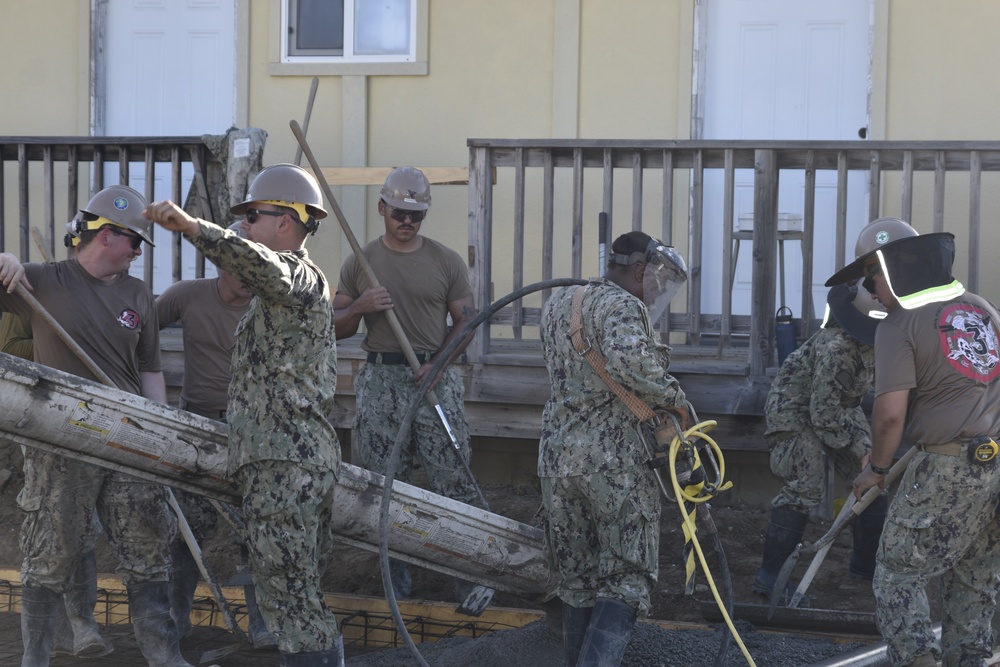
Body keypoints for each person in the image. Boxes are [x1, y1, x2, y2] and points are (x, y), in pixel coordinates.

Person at [143, 163, 344, 666]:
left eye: (254, 215)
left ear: (287, 222)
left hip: (285, 465)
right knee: (293, 599)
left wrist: (193, 228)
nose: (246, 225)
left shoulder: (295, 275)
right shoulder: (277, 297)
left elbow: (259, 263)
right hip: (278, 461)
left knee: (295, 606)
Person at [0, 184, 193, 667]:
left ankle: (163, 657)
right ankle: (35, 659)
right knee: (50, 551)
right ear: (108, 236)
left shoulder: (138, 294)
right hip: (62, 438)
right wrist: (3, 258)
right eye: (135, 243)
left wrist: (161, 432)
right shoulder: (41, 282)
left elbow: (150, 369)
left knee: (147, 548)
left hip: (128, 435)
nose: (137, 253)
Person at [830, 217, 1000, 667]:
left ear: (894, 268)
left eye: (871, 274)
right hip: (994, 464)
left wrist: (878, 469)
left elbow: (888, 415)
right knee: (975, 578)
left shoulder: (899, 325)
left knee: (897, 575)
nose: (869, 287)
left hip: (944, 469)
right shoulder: (981, 307)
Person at [538, 230, 689, 667]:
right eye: (656, 280)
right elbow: (630, 362)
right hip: (614, 465)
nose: (658, 291)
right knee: (626, 579)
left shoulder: (560, 303)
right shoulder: (623, 306)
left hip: (557, 464)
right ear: (640, 270)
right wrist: (675, 401)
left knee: (578, 580)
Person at [332, 166, 479, 600]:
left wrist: (440, 364)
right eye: (399, 212)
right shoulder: (361, 262)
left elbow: (467, 323)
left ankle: (467, 575)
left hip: (434, 378)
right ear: (383, 208)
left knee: (452, 475)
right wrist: (360, 305)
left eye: (416, 214)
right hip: (381, 380)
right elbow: (334, 326)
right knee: (384, 480)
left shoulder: (445, 260)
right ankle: (394, 579)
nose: (406, 221)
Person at [155, 250, 275, 649]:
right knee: (187, 527)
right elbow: (136, 330)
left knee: (257, 527)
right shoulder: (185, 296)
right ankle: (177, 614)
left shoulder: (271, 306)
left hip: (251, 431)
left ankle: (262, 624)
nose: (248, 278)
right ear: (221, 265)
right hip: (198, 427)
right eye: (239, 268)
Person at [753, 282, 890, 603]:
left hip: (838, 408)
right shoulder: (837, 349)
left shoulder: (872, 343)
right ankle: (769, 578)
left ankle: (866, 568)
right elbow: (823, 416)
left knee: (874, 478)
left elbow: (837, 408)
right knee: (806, 485)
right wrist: (859, 452)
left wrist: (869, 461)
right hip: (794, 412)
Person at [0, 311, 114, 659]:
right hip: (45, 418)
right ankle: (68, 631)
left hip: (97, 416)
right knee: (53, 527)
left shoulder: (118, 293)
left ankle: (80, 624)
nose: (136, 252)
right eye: (133, 249)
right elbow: (8, 348)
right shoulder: (31, 300)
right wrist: (67, 343)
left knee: (83, 525)